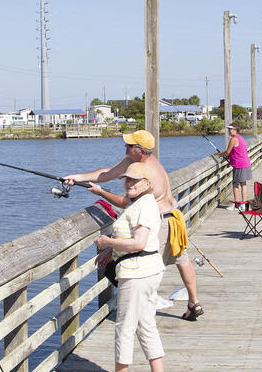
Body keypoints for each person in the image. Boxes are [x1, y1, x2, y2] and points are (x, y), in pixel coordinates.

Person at [63, 130, 205, 320]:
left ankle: (149, 303)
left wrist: (101, 193)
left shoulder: (146, 174)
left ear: (141, 151)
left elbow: (125, 202)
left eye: (129, 145)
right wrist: (77, 177)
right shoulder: (133, 162)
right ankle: (194, 303)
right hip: (173, 215)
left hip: (161, 222)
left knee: (147, 263)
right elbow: (107, 173)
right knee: (182, 260)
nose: (125, 147)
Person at [92, 163, 167, 372]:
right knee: (146, 323)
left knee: (124, 326)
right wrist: (111, 252)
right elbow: (133, 239)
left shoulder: (145, 205)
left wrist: (107, 242)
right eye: (127, 179)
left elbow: (139, 243)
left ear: (148, 184)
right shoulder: (138, 202)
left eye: (135, 180)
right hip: (145, 270)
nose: (129, 184)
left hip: (137, 273)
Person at [222, 123, 253, 209]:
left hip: (239, 164)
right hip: (245, 163)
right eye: (229, 130)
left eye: (230, 130)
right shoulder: (241, 138)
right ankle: (244, 204)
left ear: (235, 130)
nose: (229, 131)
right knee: (243, 184)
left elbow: (227, 152)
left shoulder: (233, 139)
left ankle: (236, 204)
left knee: (235, 184)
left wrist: (220, 154)